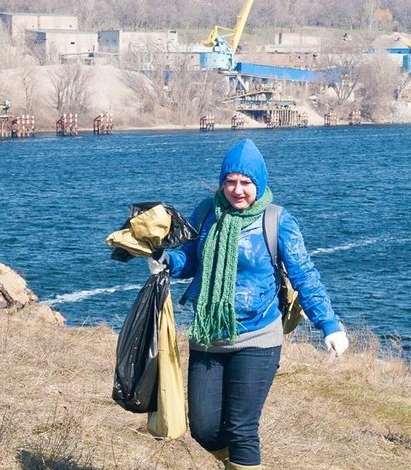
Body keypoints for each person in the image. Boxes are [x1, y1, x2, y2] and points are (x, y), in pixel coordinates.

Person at [150, 138, 348, 470]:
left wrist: (328, 323)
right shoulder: (205, 213)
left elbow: (305, 275)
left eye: (246, 182)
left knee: (241, 429)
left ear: (259, 182)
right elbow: (190, 260)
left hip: (258, 337)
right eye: (230, 181)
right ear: (221, 182)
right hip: (209, 335)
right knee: (204, 429)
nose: (237, 190)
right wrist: (166, 260)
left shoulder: (277, 221)